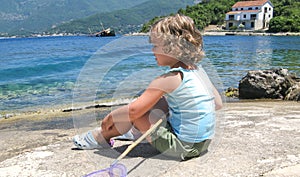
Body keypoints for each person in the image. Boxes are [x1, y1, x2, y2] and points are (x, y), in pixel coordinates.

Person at [73, 14, 223, 160]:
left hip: (183, 148)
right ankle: (135, 131)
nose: (152, 51)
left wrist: (110, 118)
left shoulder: (168, 79)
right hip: (204, 143)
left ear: (173, 47)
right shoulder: (199, 71)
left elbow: (133, 111)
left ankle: (102, 137)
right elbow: (217, 104)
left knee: (138, 112)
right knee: (157, 101)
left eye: (155, 46)